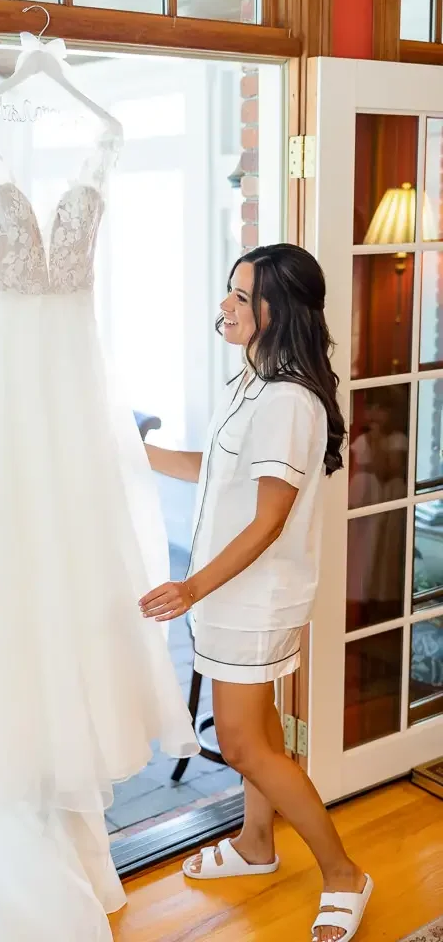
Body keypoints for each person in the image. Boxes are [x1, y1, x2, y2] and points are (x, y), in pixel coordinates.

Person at [140, 244, 372, 942]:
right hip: (228, 598)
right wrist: (131, 454)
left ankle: (343, 874)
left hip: (250, 600)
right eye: (229, 292)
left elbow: (269, 521)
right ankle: (255, 843)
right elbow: (213, 470)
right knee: (264, 734)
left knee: (245, 747)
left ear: (280, 310)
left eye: (242, 297)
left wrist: (190, 585)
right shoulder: (249, 380)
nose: (226, 305)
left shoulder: (288, 399)